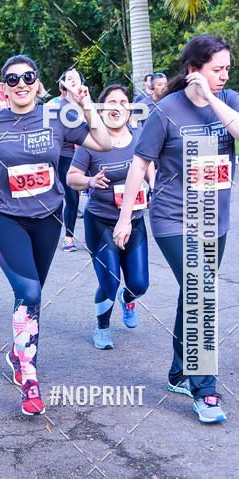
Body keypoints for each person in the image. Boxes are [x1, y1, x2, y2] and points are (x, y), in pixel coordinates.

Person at [0, 54, 111, 416]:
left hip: (49, 218)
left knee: (32, 295)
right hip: (5, 218)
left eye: (28, 77)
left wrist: (86, 105)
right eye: (12, 79)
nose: (21, 83)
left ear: (38, 84)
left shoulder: (59, 118)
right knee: (29, 290)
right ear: (4, 89)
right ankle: (29, 378)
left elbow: (103, 144)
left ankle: (17, 352)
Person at [113, 34, 239, 423]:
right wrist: (125, 217)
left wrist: (211, 98)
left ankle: (179, 370)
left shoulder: (228, 101)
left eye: (227, 69)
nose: (224, 76)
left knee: (194, 291)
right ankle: (204, 390)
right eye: (216, 70)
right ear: (194, 70)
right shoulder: (165, 111)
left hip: (216, 219)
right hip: (174, 218)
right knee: (201, 291)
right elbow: (139, 166)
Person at [67, 85, 151, 349]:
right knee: (110, 281)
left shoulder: (140, 137)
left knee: (139, 283)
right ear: (101, 109)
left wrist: (156, 185)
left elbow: (151, 168)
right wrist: (90, 180)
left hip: (135, 220)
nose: (117, 106)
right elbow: (71, 178)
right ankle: (102, 328)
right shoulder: (92, 142)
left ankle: (129, 299)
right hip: (101, 221)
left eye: (123, 101)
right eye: (111, 102)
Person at [56, 68, 84, 250]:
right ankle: (69, 237)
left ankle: (91, 233)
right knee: (72, 199)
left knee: (94, 197)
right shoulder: (56, 107)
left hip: (87, 155)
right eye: (68, 78)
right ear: (62, 85)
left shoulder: (88, 103)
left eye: (76, 77)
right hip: (65, 158)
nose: (73, 80)